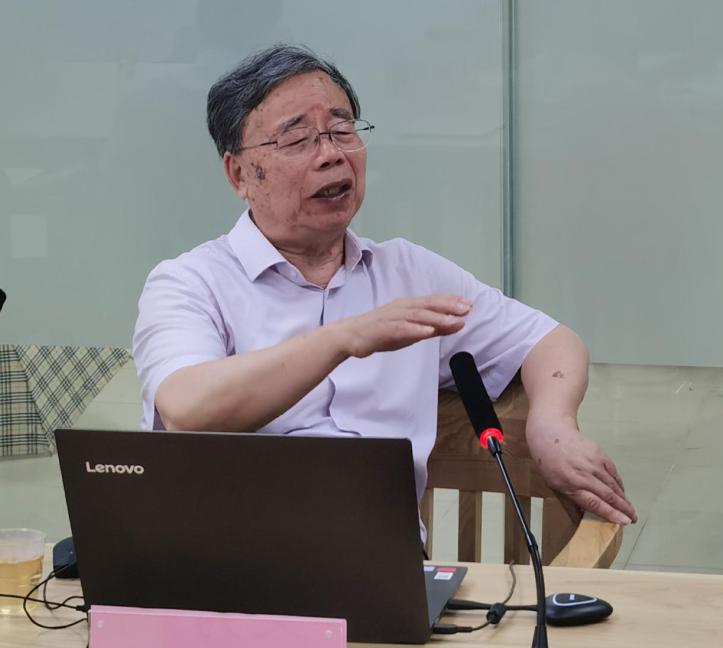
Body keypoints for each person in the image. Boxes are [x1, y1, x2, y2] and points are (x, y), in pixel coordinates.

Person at [133, 44, 636, 535]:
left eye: (341, 129)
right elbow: (188, 407)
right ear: (239, 174)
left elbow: (549, 341)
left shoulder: (409, 272)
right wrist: (345, 338)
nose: (331, 155)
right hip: (229, 562)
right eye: (297, 139)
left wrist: (552, 423)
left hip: (386, 564)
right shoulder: (190, 282)